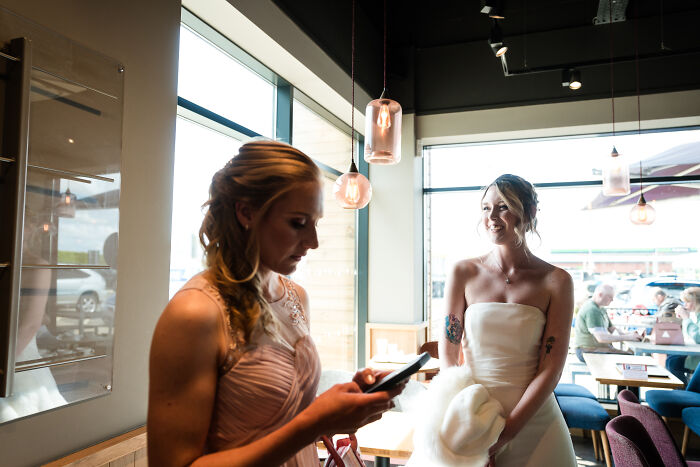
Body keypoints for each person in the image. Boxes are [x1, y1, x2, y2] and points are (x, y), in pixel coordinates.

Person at [147, 140, 403, 466]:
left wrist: (340, 401)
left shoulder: (295, 296)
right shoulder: (195, 314)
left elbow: (277, 418)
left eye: (315, 222)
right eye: (298, 222)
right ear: (247, 212)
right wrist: (315, 423)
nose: (313, 241)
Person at [438, 174, 577, 466]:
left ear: (529, 213)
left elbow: (551, 368)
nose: (492, 217)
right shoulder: (464, 271)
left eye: (503, 207)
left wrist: (507, 432)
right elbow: (449, 351)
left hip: (534, 421)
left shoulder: (556, 281)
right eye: (486, 208)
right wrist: (468, 416)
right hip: (471, 415)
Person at [573, 283, 642, 363]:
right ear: (600, 294)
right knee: (630, 357)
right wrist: (629, 337)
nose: (612, 300)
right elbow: (602, 338)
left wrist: (630, 334)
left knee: (631, 355)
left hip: (594, 349)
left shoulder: (600, 309)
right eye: (610, 297)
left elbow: (612, 329)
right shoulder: (592, 309)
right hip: (586, 350)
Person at [665, 287, 700, 385]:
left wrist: (686, 318)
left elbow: (698, 337)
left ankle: (685, 391)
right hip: (694, 352)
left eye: (687, 302)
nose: (685, 305)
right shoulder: (695, 314)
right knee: (671, 359)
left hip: (697, 356)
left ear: (696, 302)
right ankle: (683, 390)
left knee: (673, 362)